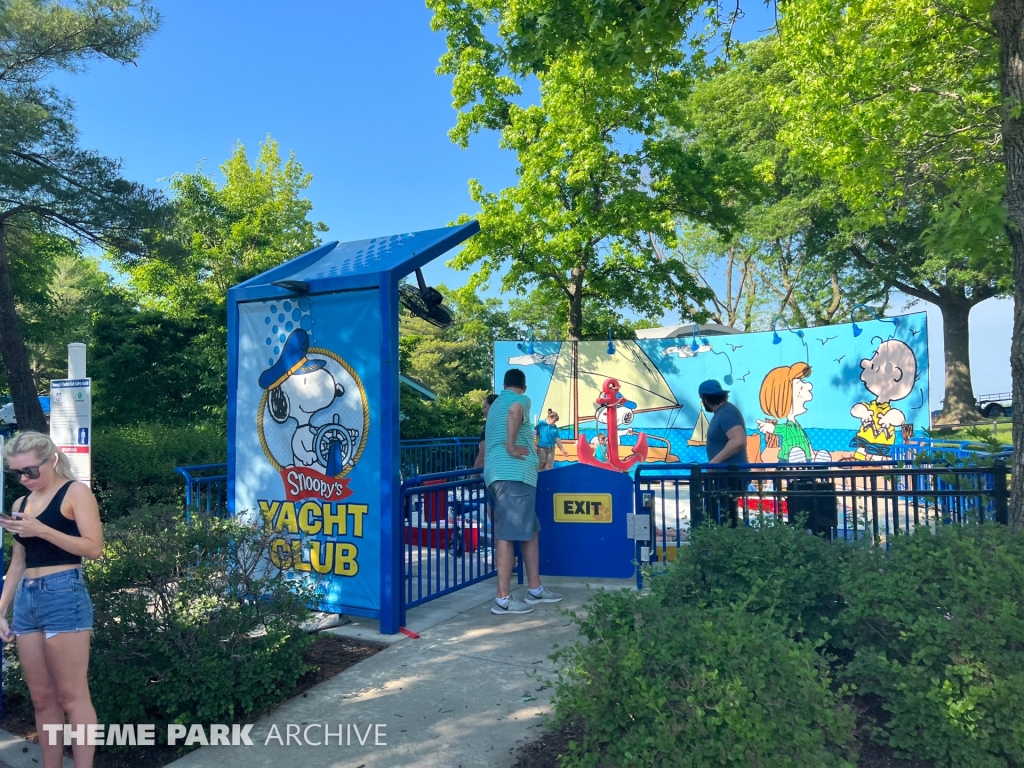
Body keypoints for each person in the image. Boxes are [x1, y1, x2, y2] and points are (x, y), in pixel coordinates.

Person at [0, 432, 103, 768]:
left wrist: (41, 529)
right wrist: (1, 610)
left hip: (64, 593)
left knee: (73, 698)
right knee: (42, 699)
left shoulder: (75, 492)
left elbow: (93, 548)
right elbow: (18, 563)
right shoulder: (21, 505)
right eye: (16, 473)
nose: (24, 479)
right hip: (27, 601)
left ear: (52, 460)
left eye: (30, 470)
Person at [484, 369, 562, 615]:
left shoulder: (495, 404)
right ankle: (503, 599)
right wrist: (511, 446)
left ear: (505, 384)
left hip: (498, 475)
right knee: (507, 535)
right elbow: (515, 411)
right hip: (513, 476)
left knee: (531, 530)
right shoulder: (520, 401)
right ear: (524, 387)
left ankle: (535, 589)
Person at [756, 362, 832, 463]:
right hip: (787, 461)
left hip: (806, 460)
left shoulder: (798, 427)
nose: (809, 386)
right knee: (796, 454)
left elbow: (806, 441)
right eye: (800, 387)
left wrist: (812, 454)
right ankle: (799, 466)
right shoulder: (787, 428)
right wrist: (766, 426)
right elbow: (776, 429)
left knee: (813, 458)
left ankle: (818, 467)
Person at [699, 379, 750, 527]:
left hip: (731, 475)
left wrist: (715, 462)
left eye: (702, 399)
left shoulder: (727, 412)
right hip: (725, 475)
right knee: (720, 516)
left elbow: (738, 440)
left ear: (705, 398)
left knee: (725, 519)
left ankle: (727, 543)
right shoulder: (723, 412)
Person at [473, 393, 500, 469]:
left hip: (493, 472)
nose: (483, 410)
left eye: (485, 407)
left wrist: (473, 477)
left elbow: (482, 456)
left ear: (492, 407)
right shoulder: (508, 424)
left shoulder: (488, 427)